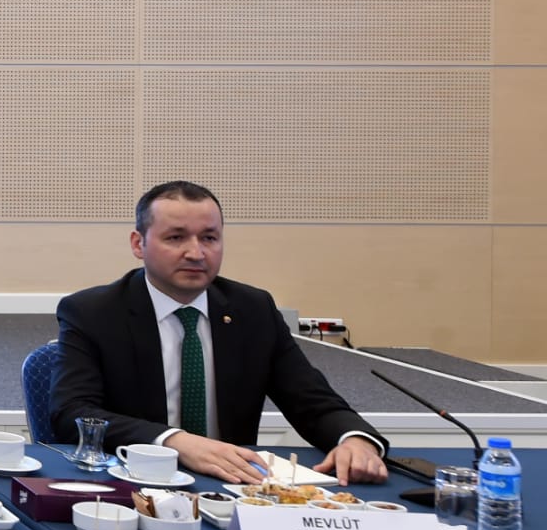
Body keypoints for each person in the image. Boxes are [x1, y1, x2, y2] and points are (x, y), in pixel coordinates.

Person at [52, 180, 387, 484]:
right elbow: (72, 413)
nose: (196, 253)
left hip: (233, 488)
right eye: (176, 238)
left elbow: (311, 401)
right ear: (139, 244)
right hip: (131, 482)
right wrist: (173, 441)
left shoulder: (253, 310)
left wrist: (355, 439)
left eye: (209, 238)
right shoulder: (93, 312)